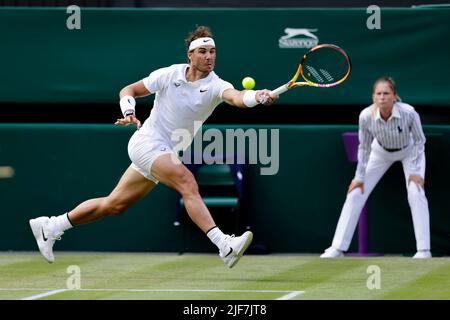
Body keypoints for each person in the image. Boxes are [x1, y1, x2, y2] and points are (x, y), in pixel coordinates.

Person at [29, 26, 277, 268]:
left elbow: (237, 97)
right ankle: (224, 245)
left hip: (164, 152)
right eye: (203, 52)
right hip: (147, 142)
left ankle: (51, 226)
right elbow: (129, 90)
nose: (209, 56)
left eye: (212, 51)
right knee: (187, 182)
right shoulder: (169, 75)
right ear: (190, 55)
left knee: (114, 205)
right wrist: (129, 111)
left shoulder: (216, 85)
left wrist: (257, 96)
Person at [320, 77, 431, 259]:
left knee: (415, 192)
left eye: (386, 93)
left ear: (394, 96)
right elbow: (364, 147)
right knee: (355, 193)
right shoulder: (365, 116)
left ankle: (424, 250)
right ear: (373, 97)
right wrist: (359, 177)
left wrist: (417, 172)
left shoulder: (409, 112)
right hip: (379, 152)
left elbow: (420, 141)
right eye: (378, 94)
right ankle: (337, 248)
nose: (382, 97)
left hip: (409, 152)